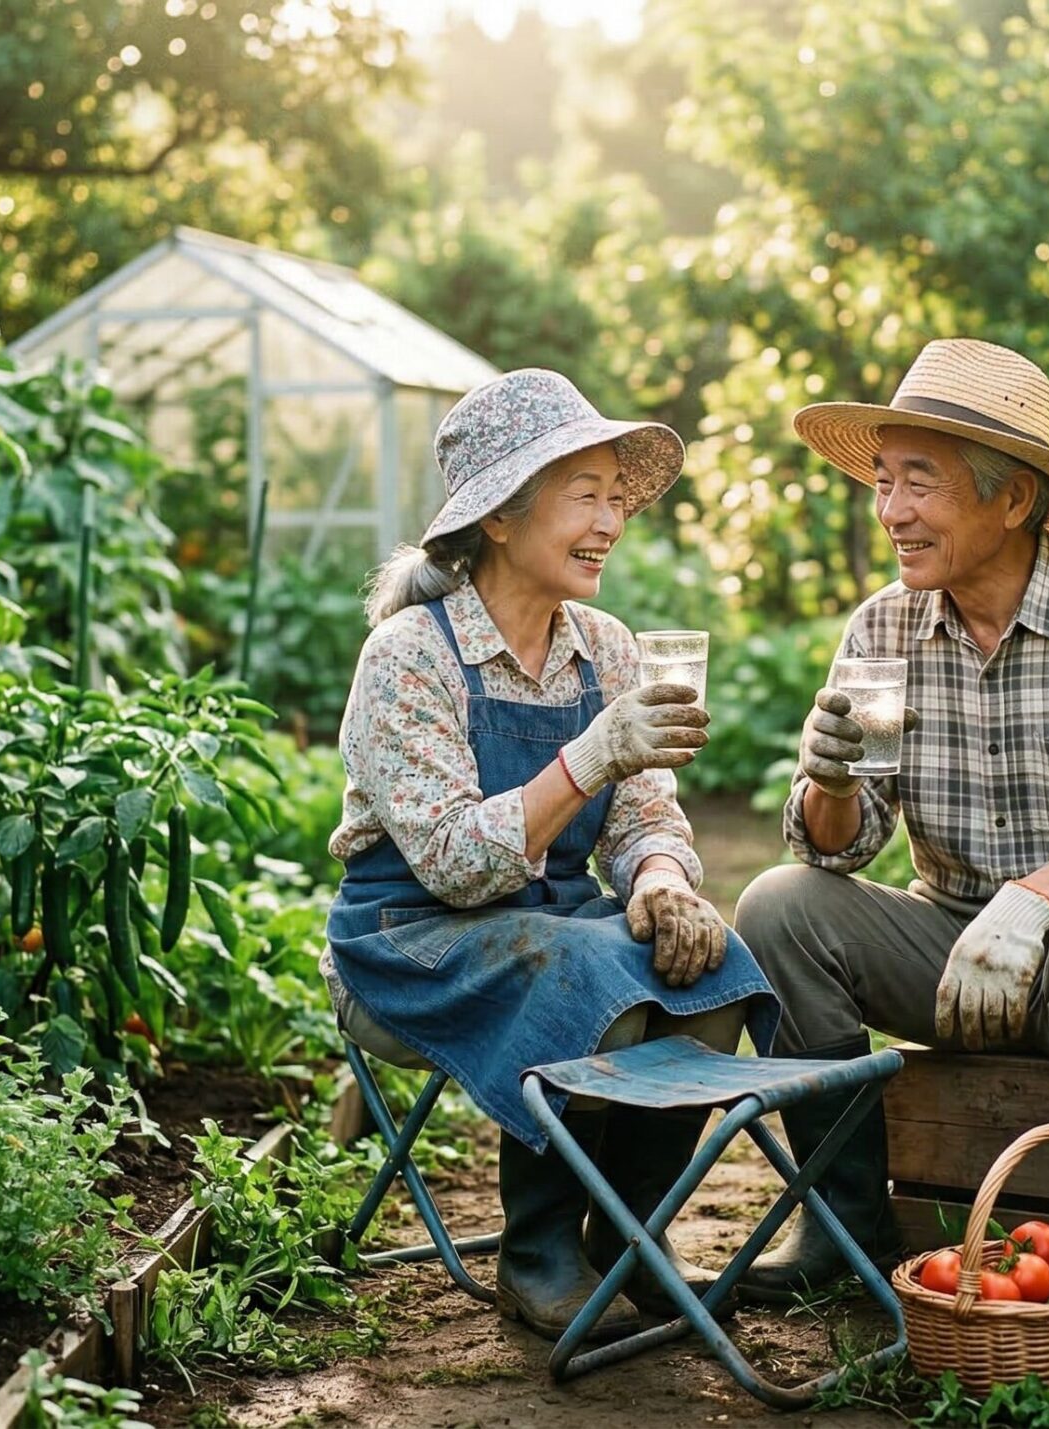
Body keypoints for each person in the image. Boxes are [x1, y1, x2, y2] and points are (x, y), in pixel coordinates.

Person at [733, 338, 1049, 1299]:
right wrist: (828, 779)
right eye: (882, 481)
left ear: (1014, 499)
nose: (892, 511)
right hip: (952, 951)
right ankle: (843, 1233)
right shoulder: (883, 628)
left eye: (922, 481)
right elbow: (845, 842)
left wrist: (1036, 902)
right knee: (778, 905)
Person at [326, 369, 780, 1341]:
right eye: (586, 492)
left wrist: (661, 880)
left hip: (545, 926)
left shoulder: (606, 646)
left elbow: (642, 812)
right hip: (408, 940)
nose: (611, 519)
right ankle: (536, 1256)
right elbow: (452, 864)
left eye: (619, 496)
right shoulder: (411, 655)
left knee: (714, 969)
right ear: (498, 514)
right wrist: (592, 755)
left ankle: (630, 1240)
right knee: (582, 971)